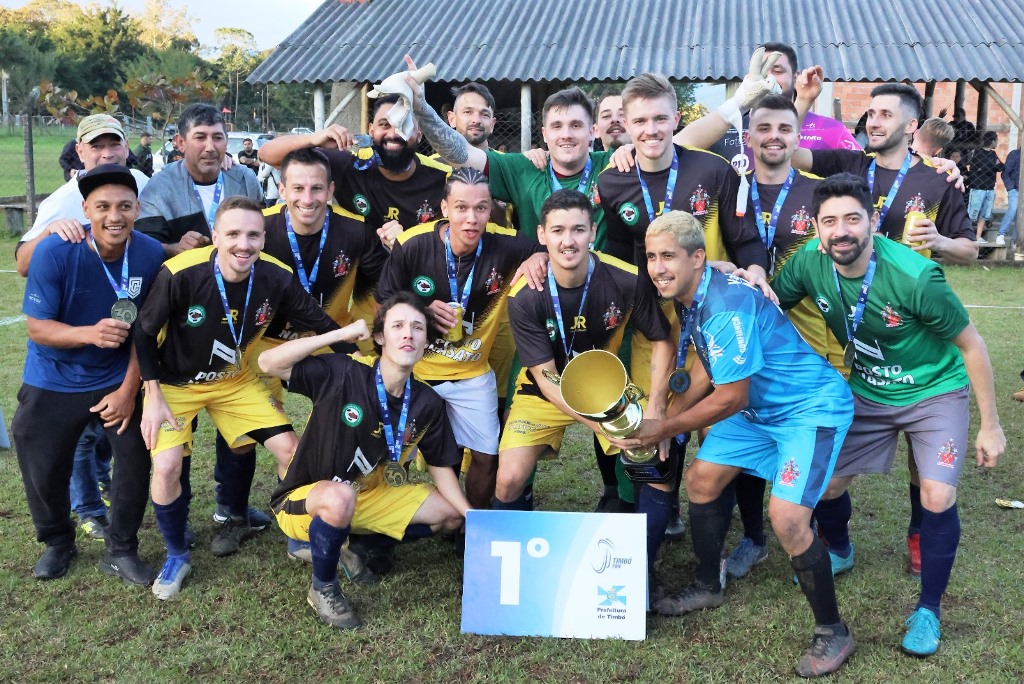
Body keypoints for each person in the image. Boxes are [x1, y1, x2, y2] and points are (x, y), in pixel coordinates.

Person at [611, 210, 855, 678]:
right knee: (702, 479)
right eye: (652, 257)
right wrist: (671, 413)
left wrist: (662, 428)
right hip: (759, 410)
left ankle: (832, 630)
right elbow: (708, 363)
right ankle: (708, 583)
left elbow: (731, 396)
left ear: (698, 257)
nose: (658, 267)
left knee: (787, 520)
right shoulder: (692, 292)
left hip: (807, 409)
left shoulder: (722, 303)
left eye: (670, 257)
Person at [770, 173, 1005, 657]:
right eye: (829, 221)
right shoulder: (808, 264)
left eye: (853, 219)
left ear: (874, 223)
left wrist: (991, 424)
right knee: (828, 484)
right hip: (868, 392)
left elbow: (972, 345)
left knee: (937, 494)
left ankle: (928, 610)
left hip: (934, 391)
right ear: (815, 229)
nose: (841, 231)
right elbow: (770, 302)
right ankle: (838, 548)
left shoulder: (915, 276)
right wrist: (746, 278)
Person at [136, 196, 344, 600]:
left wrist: (357, 359)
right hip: (176, 386)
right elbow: (143, 333)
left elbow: (318, 323)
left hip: (235, 381)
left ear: (264, 238)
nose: (243, 244)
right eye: (232, 234)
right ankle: (177, 554)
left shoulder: (276, 276)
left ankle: (295, 533)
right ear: (215, 236)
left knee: (291, 450)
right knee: (166, 467)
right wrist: (153, 392)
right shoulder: (180, 272)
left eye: (252, 235)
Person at [597, 72, 769, 534]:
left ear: (677, 118)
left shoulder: (713, 170)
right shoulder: (612, 182)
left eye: (659, 118)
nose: (650, 130)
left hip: (710, 320)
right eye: (639, 121)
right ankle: (653, 523)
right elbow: (616, 259)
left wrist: (754, 270)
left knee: (715, 427)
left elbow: (745, 238)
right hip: (652, 326)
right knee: (651, 422)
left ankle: (728, 530)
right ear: (625, 126)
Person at [258, 293, 469, 629]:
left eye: (417, 328)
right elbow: (269, 363)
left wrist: (470, 514)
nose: (408, 334)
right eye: (397, 326)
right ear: (380, 337)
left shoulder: (427, 401)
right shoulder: (343, 372)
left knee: (449, 516)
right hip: (307, 499)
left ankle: (353, 545)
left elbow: (441, 468)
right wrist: (337, 336)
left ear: (426, 340)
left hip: (369, 496)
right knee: (339, 497)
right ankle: (322, 587)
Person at [12, 164, 166, 585]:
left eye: (124, 206)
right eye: (102, 207)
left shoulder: (151, 254)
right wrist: (89, 334)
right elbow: (37, 328)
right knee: (39, 458)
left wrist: (128, 389)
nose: (113, 216)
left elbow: (146, 332)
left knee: (135, 457)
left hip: (117, 377)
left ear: (137, 209)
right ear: (85, 209)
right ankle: (58, 541)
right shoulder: (55, 251)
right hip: (54, 376)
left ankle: (121, 549)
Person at [375, 167, 547, 510]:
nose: (471, 218)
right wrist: (420, 309)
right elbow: (383, 305)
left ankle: (469, 530)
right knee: (395, 455)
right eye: (461, 208)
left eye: (481, 208)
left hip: (471, 374)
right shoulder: (413, 244)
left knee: (486, 456)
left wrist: (540, 256)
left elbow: (543, 249)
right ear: (444, 208)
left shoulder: (505, 243)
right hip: (416, 372)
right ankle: (380, 534)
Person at [135, 103, 269, 540]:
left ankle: (231, 510)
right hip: (183, 321)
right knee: (180, 423)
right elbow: (144, 249)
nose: (210, 147)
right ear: (179, 143)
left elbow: (256, 239)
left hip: (235, 318)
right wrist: (175, 246)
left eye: (217, 137)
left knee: (240, 427)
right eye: (200, 138)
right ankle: (182, 511)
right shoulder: (159, 185)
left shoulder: (245, 179)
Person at [495, 189, 656, 509]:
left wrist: (653, 408)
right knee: (508, 478)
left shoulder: (627, 278)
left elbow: (660, 339)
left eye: (578, 230)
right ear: (542, 234)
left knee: (647, 466)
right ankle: (515, 526)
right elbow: (545, 379)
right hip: (546, 392)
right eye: (557, 230)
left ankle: (636, 524)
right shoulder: (524, 295)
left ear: (593, 231)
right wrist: (602, 426)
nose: (568, 241)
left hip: (609, 388)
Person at [967, 130, 1003, 243]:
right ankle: (967, 235)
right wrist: (991, 166)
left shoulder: (993, 154)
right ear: (992, 141)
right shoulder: (977, 152)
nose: (997, 143)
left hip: (989, 187)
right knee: (972, 213)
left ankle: (978, 236)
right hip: (977, 187)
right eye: (996, 140)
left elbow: (1001, 167)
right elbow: (975, 167)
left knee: (984, 214)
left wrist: (987, 167)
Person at [996, 146, 1019, 246]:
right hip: (1015, 189)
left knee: (1021, 216)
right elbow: (1005, 173)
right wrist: (1010, 188)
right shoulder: (1015, 154)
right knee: (1013, 210)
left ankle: (1015, 241)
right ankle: (1001, 234)